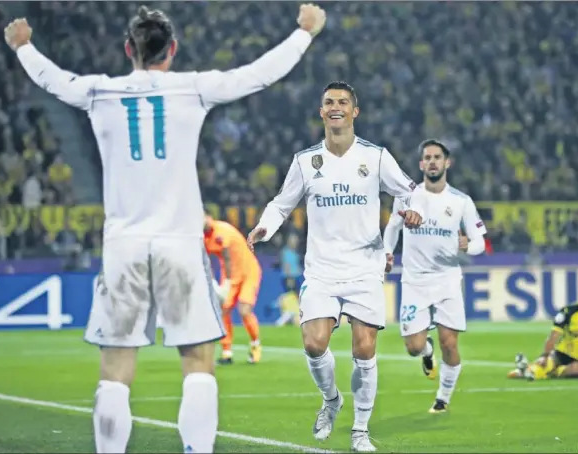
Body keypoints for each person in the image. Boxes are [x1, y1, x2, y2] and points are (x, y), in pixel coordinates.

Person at [4, 5, 326, 453]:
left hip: (123, 246)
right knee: (197, 363)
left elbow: (52, 79)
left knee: (115, 370)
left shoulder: (100, 92)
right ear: (171, 49)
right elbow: (256, 74)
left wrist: (23, 46)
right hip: (179, 243)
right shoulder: (191, 89)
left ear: (127, 49)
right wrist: (304, 33)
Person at [247, 81, 427, 452]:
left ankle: (360, 430)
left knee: (364, 348)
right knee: (314, 344)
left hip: (364, 266)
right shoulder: (305, 161)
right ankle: (331, 400)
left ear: (354, 111)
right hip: (322, 269)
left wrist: (412, 211)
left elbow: (408, 189)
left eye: (343, 102)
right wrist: (266, 226)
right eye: (329, 102)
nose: (336, 107)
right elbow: (282, 204)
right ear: (321, 111)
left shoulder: (376, 157)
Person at [383, 139, 487, 414]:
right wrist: (386, 252)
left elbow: (479, 242)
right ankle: (426, 351)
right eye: (427, 157)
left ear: (446, 163)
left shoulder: (461, 201)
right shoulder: (406, 196)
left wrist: (469, 246)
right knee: (413, 347)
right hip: (414, 281)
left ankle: (443, 397)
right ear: (421, 164)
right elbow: (393, 226)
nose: (432, 161)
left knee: (450, 342)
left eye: (437, 157)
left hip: (448, 280)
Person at [203, 215, 263, 365]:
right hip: (231, 275)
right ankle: (226, 352)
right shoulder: (202, 237)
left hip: (248, 272)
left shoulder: (222, 231)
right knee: (223, 310)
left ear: (209, 218)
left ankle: (255, 344)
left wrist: (227, 283)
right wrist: (212, 281)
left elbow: (227, 257)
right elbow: (205, 260)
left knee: (244, 310)